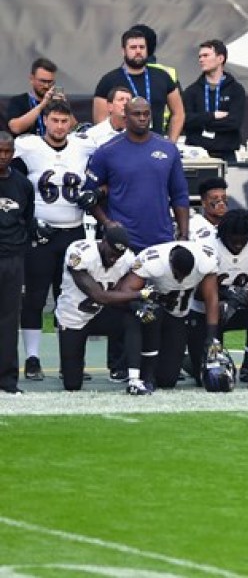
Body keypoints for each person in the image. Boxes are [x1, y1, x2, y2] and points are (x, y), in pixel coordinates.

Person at [12, 100, 96, 382]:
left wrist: (95, 191)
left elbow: (105, 170)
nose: (59, 126)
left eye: (64, 121)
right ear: (45, 121)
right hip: (41, 234)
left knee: (70, 299)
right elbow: (12, 180)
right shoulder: (29, 146)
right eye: (54, 120)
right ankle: (33, 358)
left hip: (74, 233)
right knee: (35, 297)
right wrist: (30, 220)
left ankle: (69, 362)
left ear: (71, 122)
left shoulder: (84, 145)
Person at [84, 96, 190, 252]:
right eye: (137, 114)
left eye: (146, 114)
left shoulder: (168, 148)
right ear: (125, 118)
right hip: (122, 242)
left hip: (161, 239)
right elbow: (88, 195)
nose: (142, 118)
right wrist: (107, 224)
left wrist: (184, 235)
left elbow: (179, 194)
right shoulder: (106, 151)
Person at [115, 240, 218, 394]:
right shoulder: (153, 261)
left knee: (167, 380)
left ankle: (186, 363)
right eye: (178, 274)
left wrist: (212, 336)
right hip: (154, 313)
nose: (181, 280)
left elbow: (211, 298)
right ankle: (142, 371)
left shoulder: (205, 260)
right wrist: (140, 306)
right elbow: (126, 290)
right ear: (170, 263)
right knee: (153, 314)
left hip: (178, 315)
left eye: (186, 275)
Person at [186, 209, 248, 389]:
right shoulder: (207, 244)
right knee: (203, 378)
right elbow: (202, 294)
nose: (239, 245)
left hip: (239, 304)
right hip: (207, 309)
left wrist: (235, 301)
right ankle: (187, 361)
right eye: (234, 240)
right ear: (223, 234)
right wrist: (224, 300)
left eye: (243, 240)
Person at [54, 226, 143, 390]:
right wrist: (139, 295)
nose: (114, 259)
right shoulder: (80, 253)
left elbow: (132, 284)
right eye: (112, 253)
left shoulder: (127, 258)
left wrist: (138, 301)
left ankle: (134, 376)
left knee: (136, 317)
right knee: (72, 384)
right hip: (73, 316)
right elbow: (98, 296)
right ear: (103, 242)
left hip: (102, 313)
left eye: (119, 255)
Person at [92, 28, 184, 141]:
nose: (138, 51)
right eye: (133, 47)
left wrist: (171, 144)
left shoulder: (162, 76)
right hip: (124, 149)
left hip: (157, 147)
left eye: (142, 47)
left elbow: (178, 113)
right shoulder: (108, 80)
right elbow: (101, 121)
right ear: (123, 51)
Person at [0, 132, 35, 395]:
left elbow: (27, 218)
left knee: (9, 320)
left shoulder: (23, 184)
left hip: (13, 259)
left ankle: (8, 380)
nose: (3, 156)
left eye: (7, 152)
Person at [182, 39, 246, 163]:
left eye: (206, 55)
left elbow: (234, 123)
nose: (201, 60)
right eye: (200, 56)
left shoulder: (236, 90)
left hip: (226, 154)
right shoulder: (191, 91)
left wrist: (201, 122)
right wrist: (213, 116)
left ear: (220, 58)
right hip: (197, 155)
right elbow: (186, 121)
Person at [6, 58, 66, 137]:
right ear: (31, 79)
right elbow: (15, 128)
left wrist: (64, 106)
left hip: (52, 148)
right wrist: (42, 105)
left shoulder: (57, 102)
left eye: (50, 82)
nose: (46, 86)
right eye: (43, 81)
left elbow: (75, 129)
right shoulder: (18, 101)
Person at [189, 177, 229, 243]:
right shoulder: (192, 226)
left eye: (224, 198)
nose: (221, 203)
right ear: (204, 202)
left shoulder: (233, 225)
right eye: (215, 199)